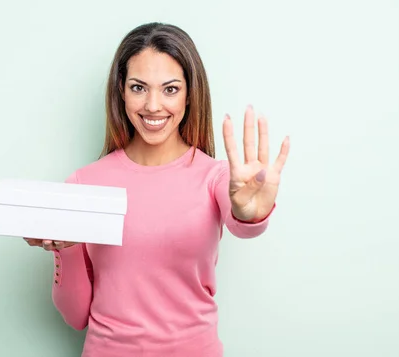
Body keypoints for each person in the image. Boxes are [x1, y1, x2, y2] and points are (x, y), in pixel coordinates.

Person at [24, 22, 290, 357]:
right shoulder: (84, 184)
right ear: (121, 90)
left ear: (190, 93)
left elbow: (244, 222)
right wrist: (66, 248)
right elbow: (76, 315)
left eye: (170, 89)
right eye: (138, 88)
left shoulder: (217, 178)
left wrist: (252, 214)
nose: (153, 105)